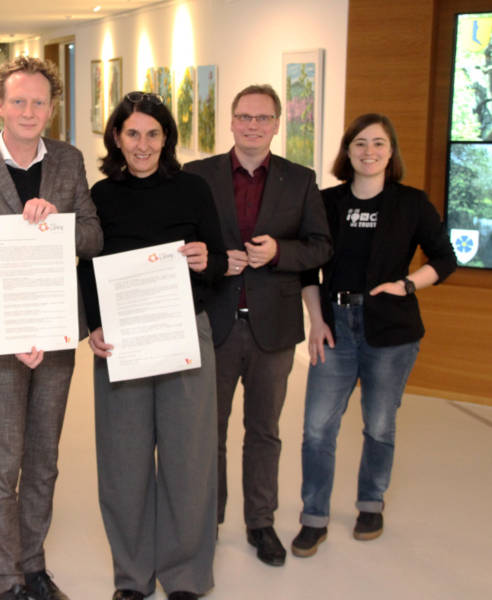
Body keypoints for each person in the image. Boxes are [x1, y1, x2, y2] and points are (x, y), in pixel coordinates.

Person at [0, 56, 103, 600]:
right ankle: (8, 577)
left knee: (44, 459)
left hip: (55, 334)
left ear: (52, 109)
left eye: (39, 102)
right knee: (2, 459)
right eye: (18, 101)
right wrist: (16, 328)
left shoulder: (69, 160)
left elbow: (93, 239)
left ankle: (34, 565)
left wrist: (57, 219)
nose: (28, 111)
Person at [77, 92, 226, 600]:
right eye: (132, 133)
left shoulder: (193, 189)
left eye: (153, 133)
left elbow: (220, 260)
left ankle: (184, 576)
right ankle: (132, 577)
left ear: (168, 138)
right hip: (121, 342)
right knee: (124, 463)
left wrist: (209, 259)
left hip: (185, 334)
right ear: (117, 137)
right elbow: (86, 269)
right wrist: (94, 325)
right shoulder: (101, 196)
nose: (143, 144)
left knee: (189, 460)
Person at [291, 114, 457, 557]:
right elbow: (307, 267)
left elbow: (444, 259)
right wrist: (316, 320)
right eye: (360, 143)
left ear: (391, 152)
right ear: (347, 151)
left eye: (379, 143)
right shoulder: (326, 203)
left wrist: (406, 284)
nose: (369, 151)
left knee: (380, 426)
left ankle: (370, 503)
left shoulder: (412, 204)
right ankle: (314, 517)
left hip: (392, 330)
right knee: (316, 429)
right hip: (335, 328)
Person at [183, 84, 332, 566]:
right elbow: (182, 241)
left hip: (273, 328)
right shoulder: (198, 175)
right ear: (231, 121)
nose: (252, 125)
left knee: (264, 430)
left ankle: (261, 522)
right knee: (211, 430)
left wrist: (279, 254)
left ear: (276, 124)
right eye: (244, 116)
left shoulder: (300, 179)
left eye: (262, 118)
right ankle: (209, 519)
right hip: (215, 323)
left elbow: (321, 246)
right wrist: (210, 263)